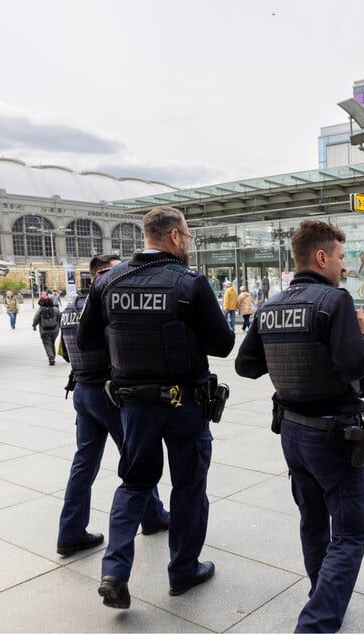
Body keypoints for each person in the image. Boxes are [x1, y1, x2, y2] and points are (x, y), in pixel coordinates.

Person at [78, 206, 234, 609]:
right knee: (188, 486)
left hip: (134, 407)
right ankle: (183, 571)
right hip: (185, 405)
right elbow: (222, 344)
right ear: (176, 238)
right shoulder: (190, 283)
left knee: (133, 483)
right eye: (188, 237)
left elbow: (87, 340)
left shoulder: (108, 281)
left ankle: (114, 570)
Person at [236, 219, 364, 633]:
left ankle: (323, 594)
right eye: (340, 257)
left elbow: (246, 366)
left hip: (293, 433)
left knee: (313, 522)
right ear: (321, 258)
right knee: (350, 531)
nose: (343, 265)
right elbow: (353, 365)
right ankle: (315, 623)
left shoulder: (273, 304)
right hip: (333, 434)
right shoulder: (335, 302)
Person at [56, 255, 169, 559]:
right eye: (115, 270)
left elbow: (64, 351)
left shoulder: (70, 308)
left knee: (84, 464)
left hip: (82, 391)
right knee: (137, 460)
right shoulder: (105, 304)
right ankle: (153, 516)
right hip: (109, 393)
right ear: (100, 275)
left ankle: (69, 532)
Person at [33, 297, 60, 366]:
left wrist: (34, 325)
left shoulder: (40, 310)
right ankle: (53, 356)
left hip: (44, 331)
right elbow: (60, 318)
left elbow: (36, 319)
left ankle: (51, 357)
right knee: (52, 343)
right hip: (55, 330)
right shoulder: (56, 309)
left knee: (47, 344)